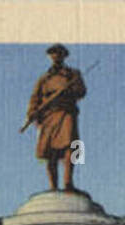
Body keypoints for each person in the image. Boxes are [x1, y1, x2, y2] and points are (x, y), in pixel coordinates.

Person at [26, 44, 86, 191]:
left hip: (66, 113)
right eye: (53, 54)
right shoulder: (44, 79)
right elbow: (35, 98)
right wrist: (32, 113)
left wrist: (69, 91)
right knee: (49, 151)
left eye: (59, 53)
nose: (56, 56)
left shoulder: (73, 74)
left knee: (71, 147)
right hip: (49, 116)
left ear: (64, 56)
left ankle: (68, 182)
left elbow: (81, 91)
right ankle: (53, 186)